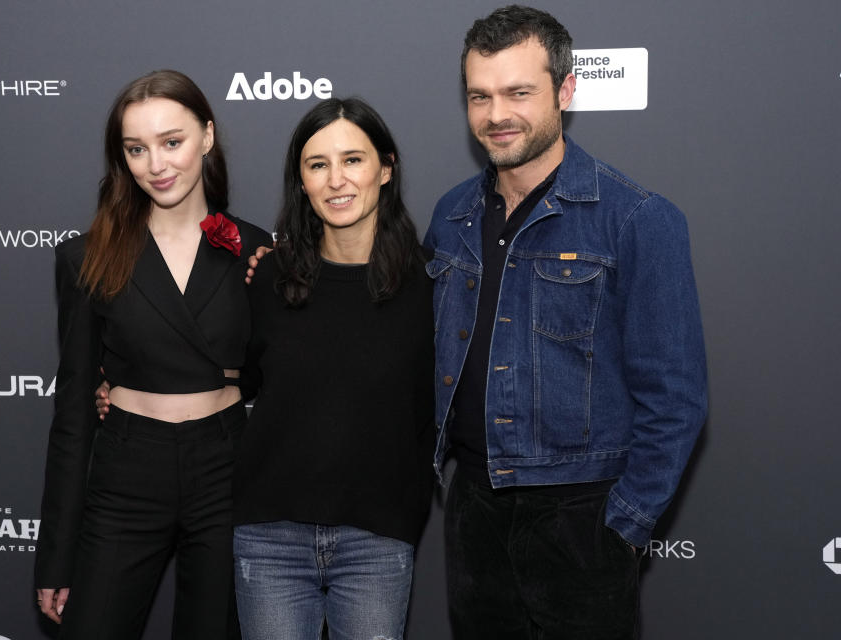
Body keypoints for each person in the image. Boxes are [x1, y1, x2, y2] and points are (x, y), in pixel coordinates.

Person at [425, 5, 708, 638]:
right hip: (474, 507)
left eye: (518, 92)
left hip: (581, 517)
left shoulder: (636, 218)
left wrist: (624, 527)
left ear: (566, 89)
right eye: (480, 96)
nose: (496, 114)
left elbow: (677, 396)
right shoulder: (451, 216)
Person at [35, 69, 270, 640]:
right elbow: (71, 415)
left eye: (172, 142)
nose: (156, 165)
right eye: (136, 149)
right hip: (127, 469)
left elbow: (272, 376)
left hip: (226, 469)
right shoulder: (88, 256)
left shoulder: (257, 251)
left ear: (207, 137)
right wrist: (56, 558)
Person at [231, 97, 435, 640]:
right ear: (300, 180)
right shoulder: (269, 278)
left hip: (378, 537)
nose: (336, 180)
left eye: (353, 160)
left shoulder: (430, 285)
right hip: (270, 537)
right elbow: (232, 379)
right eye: (317, 164)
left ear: (385, 168)